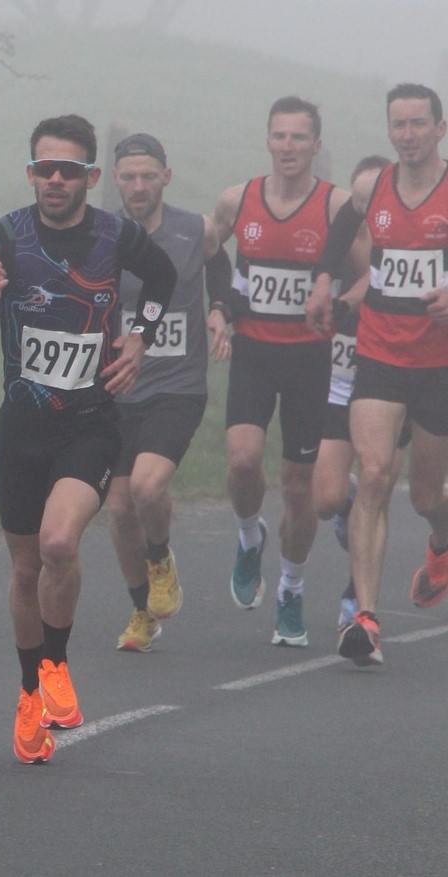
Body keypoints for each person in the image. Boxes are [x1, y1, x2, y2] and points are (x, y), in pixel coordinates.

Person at [0, 114, 175, 764]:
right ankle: (29, 693)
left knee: (57, 542)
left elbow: (160, 280)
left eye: (68, 170)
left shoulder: (116, 235)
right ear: (31, 174)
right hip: (21, 429)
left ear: (90, 177)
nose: (55, 179)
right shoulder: (3, 237)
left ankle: (55, 660)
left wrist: (140, 337)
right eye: (45, 168)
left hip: (90, 422)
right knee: (25, 568)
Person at [306, 83, 448, 666]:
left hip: (438, 362)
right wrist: (321, 278)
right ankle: (364, 615)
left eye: (419, 124)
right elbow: (341, 230)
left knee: (423, 494)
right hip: (381, 353)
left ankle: (440, 542)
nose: (408, 135)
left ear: (439, 129)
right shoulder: (374, 186)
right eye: (399, 125)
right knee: (376, 471)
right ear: (389, 130)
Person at [211, 96, 352, 648]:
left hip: (309, 359)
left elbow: (372, 273)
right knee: (243, 459)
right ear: (267, 140)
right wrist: (222, 305)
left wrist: (335, 301)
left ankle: (290, 587)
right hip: (253, 351)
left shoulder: (336, 207)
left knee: (298, 486)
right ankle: (250, 537)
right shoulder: (238, 198)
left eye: (299, 138)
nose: (288, 147)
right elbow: (208, 251)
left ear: (317, 145)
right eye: (279, 136)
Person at [104, 133, 236, 652]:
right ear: (116, 180)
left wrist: (221, 309)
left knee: (145, 487)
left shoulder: (194, 229)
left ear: (166, 177)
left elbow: (222, 269)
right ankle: (143, 612)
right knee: (117, 512)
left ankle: (159, 558)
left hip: (177, 385)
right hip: (118, 386)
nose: (139, 186)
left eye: (148, 176)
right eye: (129, 177)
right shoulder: (104, 234)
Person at [309, 155, 411, 632]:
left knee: (380, 482)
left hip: (392, 378)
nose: (368, 205)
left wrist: (349, 301)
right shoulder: (339, 244)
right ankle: (348, 507)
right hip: (342, 381)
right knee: (326, 498)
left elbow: (381, 275)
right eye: (360, 199)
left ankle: (357, 600)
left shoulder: (404, 240)